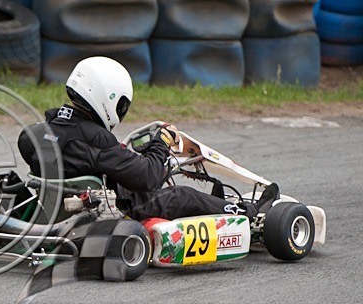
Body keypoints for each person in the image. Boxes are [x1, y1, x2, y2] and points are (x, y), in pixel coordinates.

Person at [17, 56, 279, 221]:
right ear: (107, 97)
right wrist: (161, 143)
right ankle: (251, 214)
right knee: (185, 196)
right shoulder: (96, 138)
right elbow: (148, 176)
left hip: (58, 205)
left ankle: (223, 203)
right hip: (123, 207)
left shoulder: (38, 131)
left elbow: (105, 161)